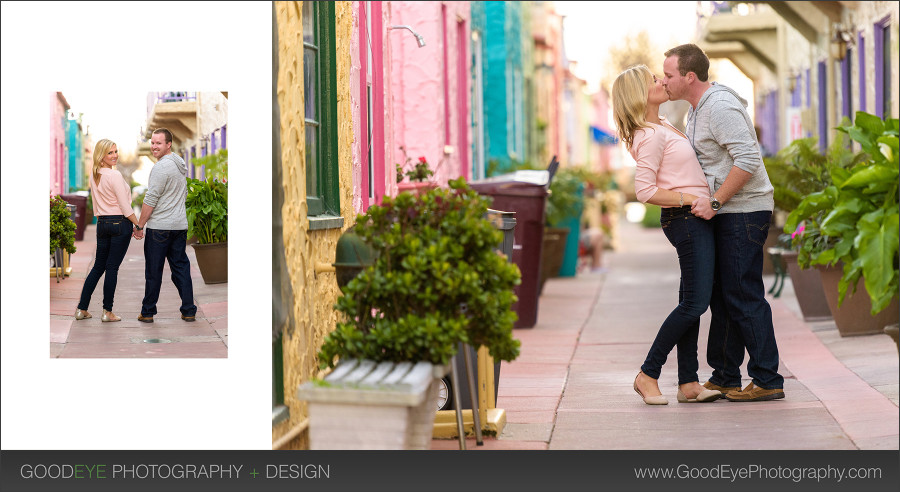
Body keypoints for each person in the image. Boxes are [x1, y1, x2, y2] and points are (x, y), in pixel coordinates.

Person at [662, 44, 785, 402]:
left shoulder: (718, 106)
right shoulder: (696, 111)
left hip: (744, 212)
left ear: (689, 76)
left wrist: (715, 201)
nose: (664, 81)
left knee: (743, 295)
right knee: (722, 295)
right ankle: (726, 375)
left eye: (669, 75)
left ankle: (767, 378)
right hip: (729, 212)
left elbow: (748, 158)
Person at [612, 64, 722, 405]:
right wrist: (691, 198)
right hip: (684, 218)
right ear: (637, 94)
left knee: (689, 302)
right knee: (695, 304)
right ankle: (648, 373)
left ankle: (688, 382)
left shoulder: (661, 126)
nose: (661, 81)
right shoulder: (651, 134)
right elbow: (644, 191)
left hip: (691, 218)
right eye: (653, 80)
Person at [74, 139, 144, 322]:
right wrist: (138, 225)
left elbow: (97, 204)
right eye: (110, 153)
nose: (114, 156)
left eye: (115, 151)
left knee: (98, 267)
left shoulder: (94, 174)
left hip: (102, 223)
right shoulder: (115, 176)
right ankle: (107, 311)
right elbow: (124, 206)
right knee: (112, 268)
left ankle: (82, 309)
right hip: (119, 223)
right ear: (101, 156)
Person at [134, 128, 197, 323]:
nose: (154, 146)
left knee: (154, 271)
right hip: (178, 226)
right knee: (180, 268)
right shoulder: (180, 164)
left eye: (158, 143)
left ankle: (147, 311)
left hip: (160, 228)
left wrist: (139, 225)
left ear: (168, 144)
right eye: (152, 142)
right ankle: (188, 310)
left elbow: (151, 198)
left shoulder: (162, 168)